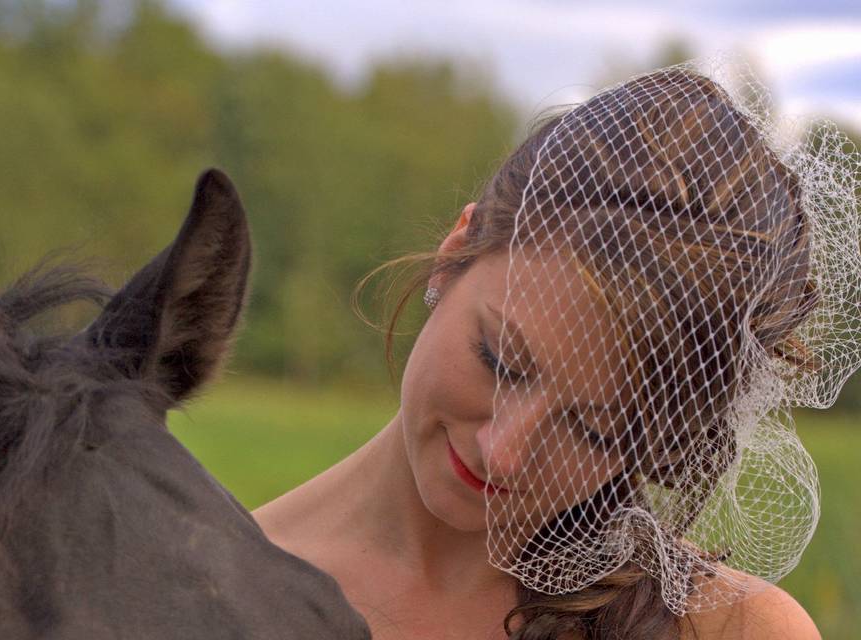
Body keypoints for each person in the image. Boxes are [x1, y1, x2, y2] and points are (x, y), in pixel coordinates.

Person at [252, 61, 858, 639]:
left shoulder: (729, 630)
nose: (504, 453)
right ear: (455, 252)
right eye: (500, 361)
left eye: (594, 430)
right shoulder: (200, 587)